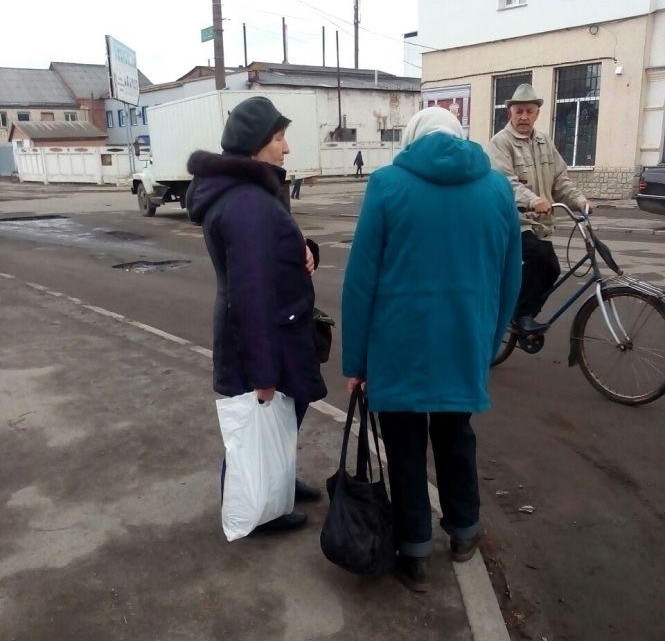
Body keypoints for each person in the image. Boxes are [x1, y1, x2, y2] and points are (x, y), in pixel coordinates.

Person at [341, 107, 522, 593]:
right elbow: (511, 277)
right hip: (464, 339)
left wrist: (355, 361)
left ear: (412, 138)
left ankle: (414, 549)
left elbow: (361, 281)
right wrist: (490, 338)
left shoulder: (387, 184)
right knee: (455, 436)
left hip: (398, 343)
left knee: (403, 446)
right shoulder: (497, 188)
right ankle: (464, 533)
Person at [186, 96, 327, 533]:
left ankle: (278, 483)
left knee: (280, 419)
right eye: (280, 138)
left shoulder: (254, 193)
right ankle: (259, 509)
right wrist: (263, 372)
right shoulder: (248, 203)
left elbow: (277, 251)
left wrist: (307, 252)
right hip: (263, 334)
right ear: (255, 144)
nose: (286, 149)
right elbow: (251, 293)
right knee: (255, 424)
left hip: (278, 329)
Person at [487, 83, 593, 333]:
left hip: (540, 224)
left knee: (552, 268)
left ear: (537, 113)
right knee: (538, 258)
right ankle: (520, 316)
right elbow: (506, 183)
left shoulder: (544, 141)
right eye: (519, 111)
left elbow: (560, 180)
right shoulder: (500, 143)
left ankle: (522, 312)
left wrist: (580, 201)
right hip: (515, 222)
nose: (524, 116)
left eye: (529, 111)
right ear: (509, 113)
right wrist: (533, 200)